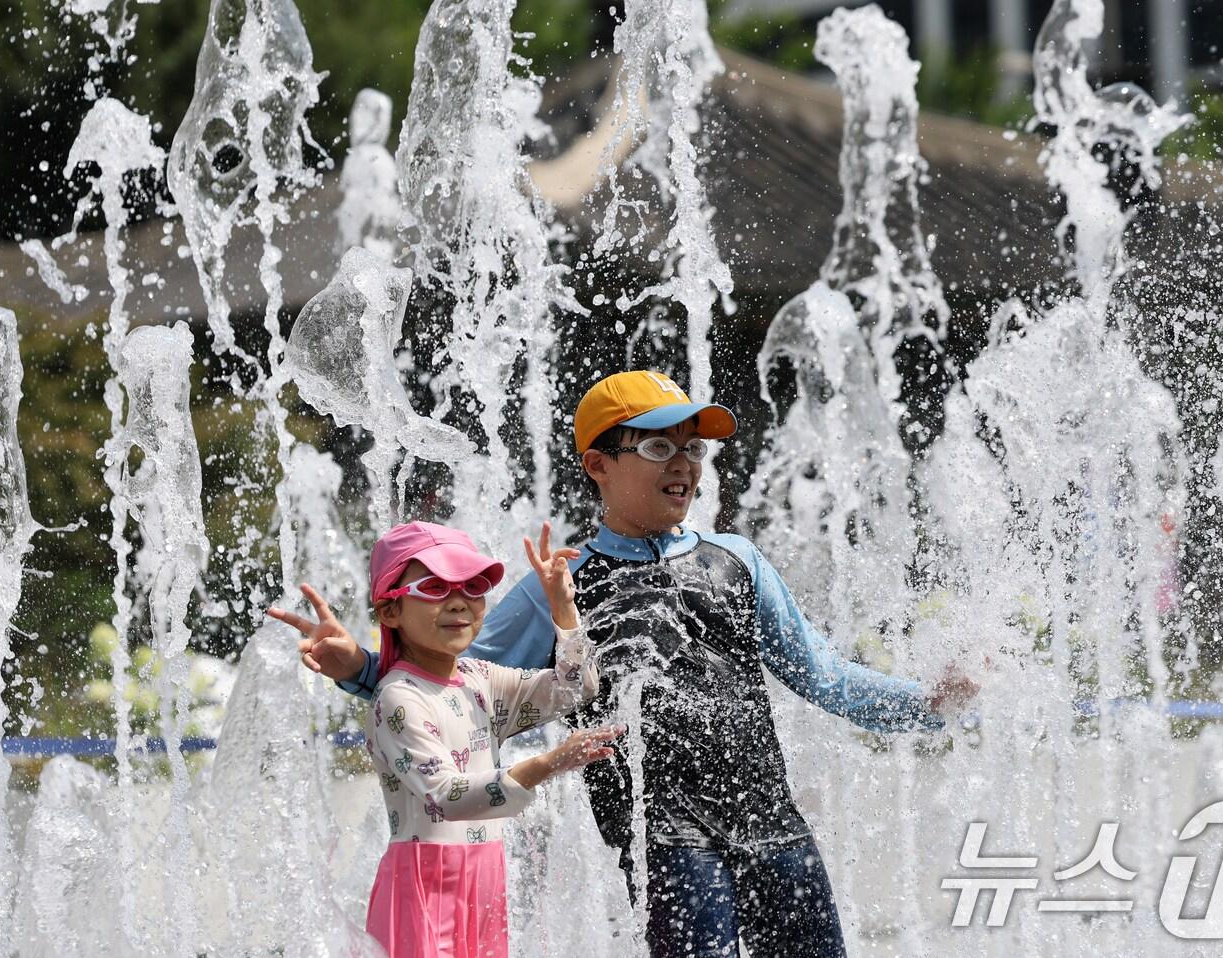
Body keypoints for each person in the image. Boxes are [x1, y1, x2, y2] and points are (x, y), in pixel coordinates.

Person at [294, 370, 980, 958]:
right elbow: (455, 690)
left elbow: (825, 677)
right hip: (668, 840)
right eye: (657, 446)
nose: (682, 463)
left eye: (693, 447)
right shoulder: (560, 587)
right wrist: (358, 665)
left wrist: (927, 702)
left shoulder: (736, 561)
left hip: (773, 824)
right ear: (598, 464)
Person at [269, 520, 620, 958]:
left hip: (485, 876)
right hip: (422, 884)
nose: (459, 602)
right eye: (435, 588)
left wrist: (563, 611)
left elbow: (575, 688)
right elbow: (447, 795)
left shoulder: (481, 681)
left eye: (473, 587)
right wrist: (547, 764)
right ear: (390, 611)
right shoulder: (398, 698)